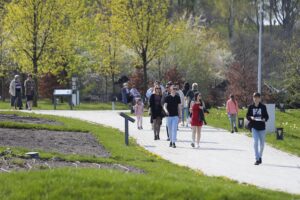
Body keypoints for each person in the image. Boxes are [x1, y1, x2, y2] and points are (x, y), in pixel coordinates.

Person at [246, 92, 269, 165]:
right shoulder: (250, 107)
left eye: (257, 97)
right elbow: (247, 116)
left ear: (260, 98)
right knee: (255, 142)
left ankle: (260, 156)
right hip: (254, 127)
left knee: (262, 144)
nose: (256, 99)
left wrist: (264, 119)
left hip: (262, 127)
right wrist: (251, 117)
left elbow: (267, 117)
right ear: (253, 98)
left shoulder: (263, 107)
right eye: (254, 97)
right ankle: (257, 158)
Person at [164, 84, 181, 148]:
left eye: (175, 89)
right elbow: (164, 106)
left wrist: (180, 116)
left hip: (175, 116)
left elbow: (179, 107)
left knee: (174, 129)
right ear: (170, 89)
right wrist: (166, 111)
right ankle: (171, 141)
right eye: (173, 88)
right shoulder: (167, 97)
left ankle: (173, 142)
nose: (174, 90)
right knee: (169, 130)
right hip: (169, 116)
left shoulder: (177, 97)